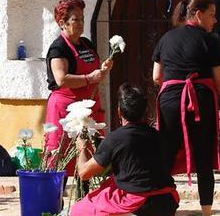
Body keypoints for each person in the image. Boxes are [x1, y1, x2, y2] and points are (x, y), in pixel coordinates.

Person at [151, 0, 220, 216]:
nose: (215, 20)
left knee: (166, 154)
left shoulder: (166, 38)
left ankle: (161, 208)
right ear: (198, 14)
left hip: (169, 101)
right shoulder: (209, 40)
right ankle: (206, 211)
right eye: (212, 14)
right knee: (204, 156)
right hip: (200, 100)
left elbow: (157, 76)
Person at [71, 84, 179, 216]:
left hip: (140, 204)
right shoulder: (159, 136)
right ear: (145, 111)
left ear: (119, 111)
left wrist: (82, 148)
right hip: (167, 201)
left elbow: (84, 173)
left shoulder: (115, 138)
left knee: (77, 210)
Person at [44, 0, 112, 169]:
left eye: (82, 18)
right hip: (66, 112)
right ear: (62, 22)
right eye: (76, 19)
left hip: (89, 109)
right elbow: (61, 79)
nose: (81, 23)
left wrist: (103, 69)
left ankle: (87, 196)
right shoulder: (58, 48)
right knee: (62, 159)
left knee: (90, 159)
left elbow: (93, 71)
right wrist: (90, 78)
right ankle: (56, 196)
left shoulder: (86, 44)